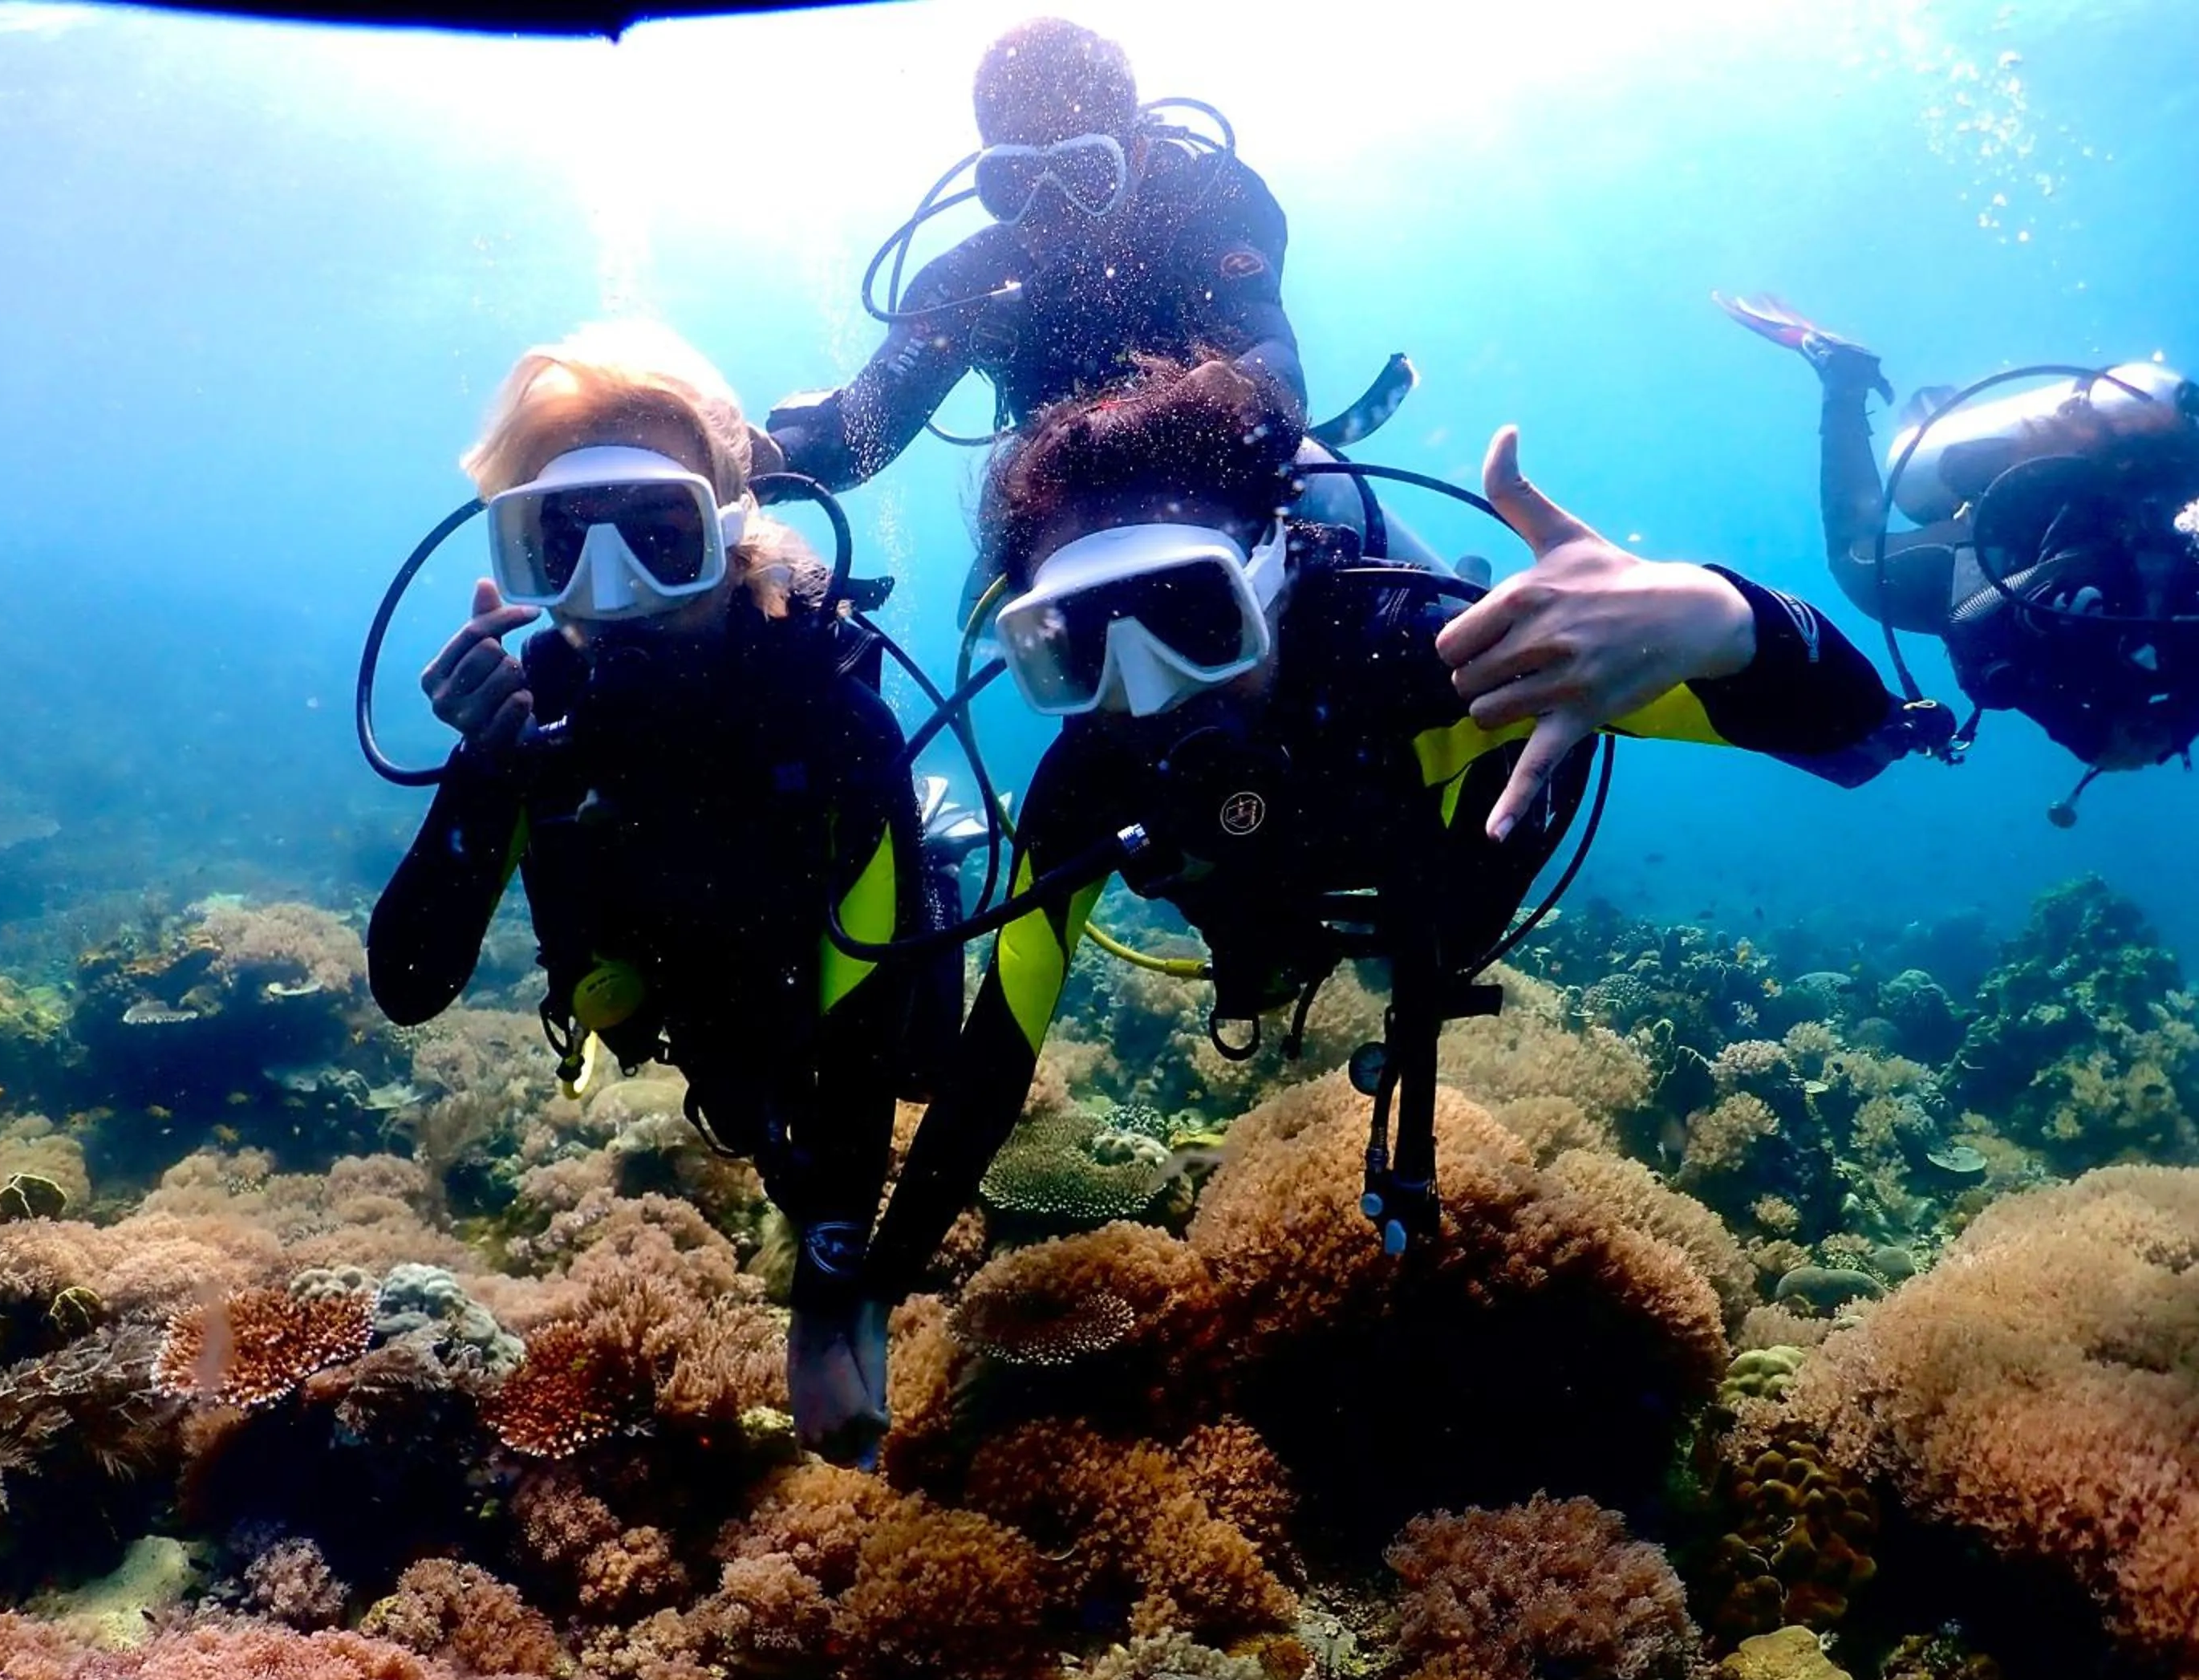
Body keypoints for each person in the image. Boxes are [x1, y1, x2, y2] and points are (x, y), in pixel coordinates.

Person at [809, 355, 1954, 1461]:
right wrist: (867, 1288)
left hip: (1449, 888)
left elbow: (1856, 740)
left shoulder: (1441, 664)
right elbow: (996, 1053)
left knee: (1443, 901)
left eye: (1191, 616)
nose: (1147, 687)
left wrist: (1720, 617)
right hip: (1284, 929)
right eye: (1080, 644)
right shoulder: (1084, 787)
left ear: (1274, 569)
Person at [366, 323, 955, 1463]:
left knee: (922, 1058)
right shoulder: (534, 710)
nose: (611, 587)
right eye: (562, 543)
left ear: (728, 530)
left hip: (817, 976)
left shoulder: (827, 708)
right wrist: (488, 772)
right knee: (726, 1090)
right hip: (654, 995)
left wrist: (828, 1285)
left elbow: (868, 1051)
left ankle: (931, 845)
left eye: (659, 535)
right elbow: (409, 985)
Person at [765, 16, 1305, 491]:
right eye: (1015, 181)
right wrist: (762, 459)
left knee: (1329, 492)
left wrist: (1249, 390)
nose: (1051, 212)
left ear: (1136, 156)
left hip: (1231, 480)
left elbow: (1268, 341)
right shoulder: (966, 282)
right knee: (982, 605)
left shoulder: (1208, 204)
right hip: (1061, 509)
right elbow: (861, 430)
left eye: (1085, 173)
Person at [1718, 293, 2199, 810]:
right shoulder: (2107, 569)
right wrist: (2083, 732)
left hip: (2051, 523)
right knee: (1855, 558)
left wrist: (2169, 726)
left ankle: (1943, 435)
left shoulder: (2170, 560)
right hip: (1985, 554)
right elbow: (1976, 629)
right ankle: (1844, 382)